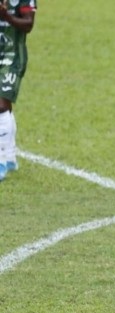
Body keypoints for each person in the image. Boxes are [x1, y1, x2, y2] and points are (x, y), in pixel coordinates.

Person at [0, 0, 37, 182]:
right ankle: (9, 157)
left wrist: (5, 15)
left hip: (12, 56)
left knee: (1, 105)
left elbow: (28, 24)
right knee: (4, 106)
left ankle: (1, 162)